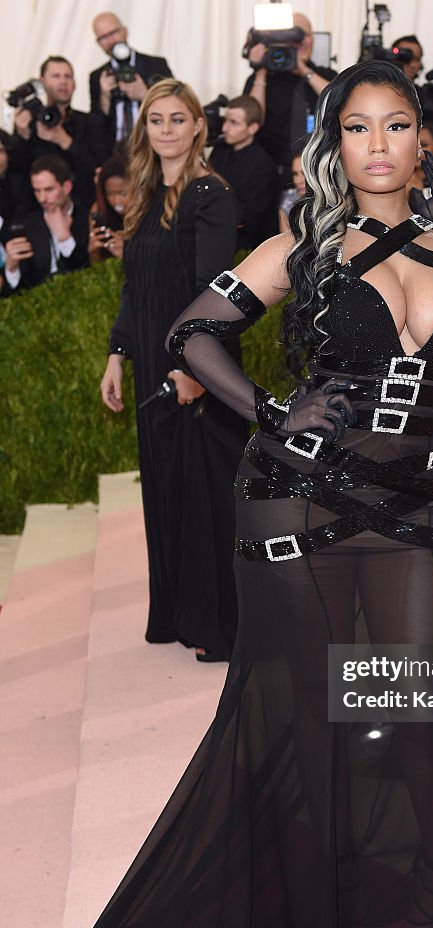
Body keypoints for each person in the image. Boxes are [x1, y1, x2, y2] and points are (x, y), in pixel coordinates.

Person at [1, 59, 433, 928]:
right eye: (356, 128)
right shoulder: (305, 242)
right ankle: (303, 916)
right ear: (334, 143)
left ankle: (396, 921)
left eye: (397, 126)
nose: (377, 145)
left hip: (420, 506)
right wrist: (273, 410)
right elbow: (190, 334)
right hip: (303, 502)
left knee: (410, 720)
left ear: (427, 139)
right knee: (298, 716)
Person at [98, 79, 246, 663]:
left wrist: (193, 368)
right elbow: (137, 287)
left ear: (196, 126)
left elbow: (214, 293)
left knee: (205, 498)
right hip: (152, 366)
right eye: (155, 120)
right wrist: (118, 353)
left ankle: (219, 625)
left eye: (177, 119)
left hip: (196, 368)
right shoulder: (140, 193)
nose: (166, 130)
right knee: (166, 490)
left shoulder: (209, 194)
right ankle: (177, 613)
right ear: (144, 129)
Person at [244, 11, 336, 187]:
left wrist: (303, 70)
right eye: (292, 35)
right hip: (271, 173)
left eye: (304, 34)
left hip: (320, 173)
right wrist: (261, 71)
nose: (300, 41)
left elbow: (338, 101)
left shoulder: (326, 75)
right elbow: (252, 120)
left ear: (313, 39)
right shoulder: (262, 79)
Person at [11, 56, 107, 208]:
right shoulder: (28, 122)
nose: (63, 81)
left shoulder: (91, 122)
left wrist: (65, 141)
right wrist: (23, 136)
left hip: (83, 209)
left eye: (68, 76)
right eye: (56, 76)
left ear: (74, 84)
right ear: (42, 82)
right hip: (37, 212)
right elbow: (16, 172)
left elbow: (99, 169)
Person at [0, 154, 88, 296]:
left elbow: (89, 272)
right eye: (37, 190)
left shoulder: (86, 219)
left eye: (49, 190)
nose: (42, 198)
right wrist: (12, 268)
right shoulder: (28, 225)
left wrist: (65, 239)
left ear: (66, 187)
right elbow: (23, 288)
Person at [90, 11, 174, 151]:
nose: (111, 41)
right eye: (103, 38)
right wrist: (105, 97)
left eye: (114, 33)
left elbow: (177, 105)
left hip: (154, 148)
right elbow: (95, 126)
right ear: (98, 43)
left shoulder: (156, 65)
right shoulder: (97, 76)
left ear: (125, 31)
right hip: (116, 152)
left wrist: (145, 95)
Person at [209, 95, 279, 250]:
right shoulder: (220, 148)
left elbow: (249, 219)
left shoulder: (264, 166)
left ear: (252, 128)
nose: (224, 128)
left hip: (242, 247)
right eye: (225, 120)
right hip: (212, 231)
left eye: (233, 123)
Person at [88, 153, 129, 263]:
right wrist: (93, 251)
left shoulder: (150, 211)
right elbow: (96, 266)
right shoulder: (98, 210)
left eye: (123, 193)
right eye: (110, 194)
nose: (116, 201)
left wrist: (128, 251)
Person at [276, 142, 306, 232]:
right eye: (295, 174)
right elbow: (286, 243)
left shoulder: (331, 201)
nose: (298, 180)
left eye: (304, 173)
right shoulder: (288, 201)